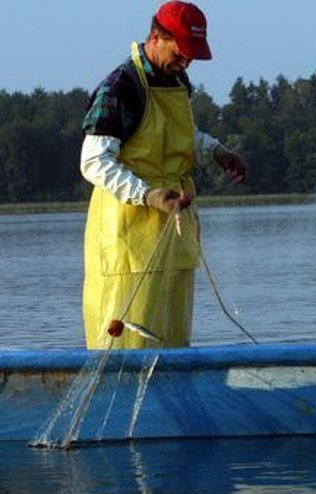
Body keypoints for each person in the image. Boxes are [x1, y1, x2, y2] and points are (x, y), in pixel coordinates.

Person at [79, 1, 246, 349]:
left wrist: (215, 151)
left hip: (174, 231)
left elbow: (179, 132)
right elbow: (94, 161)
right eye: (181, 52)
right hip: (128, 240)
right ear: (156, 37)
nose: (186, 62)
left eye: (192, 56)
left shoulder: (177, 79)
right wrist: (148, 195)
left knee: (172, 342)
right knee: (128, 345)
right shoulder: (121, 87)